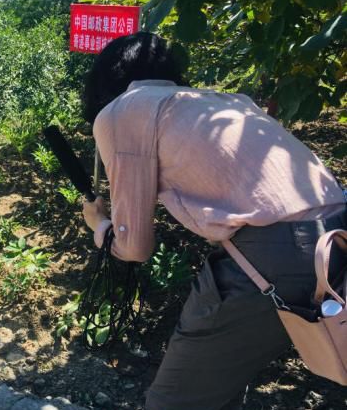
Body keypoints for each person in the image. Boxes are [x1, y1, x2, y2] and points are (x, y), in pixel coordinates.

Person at [80, 32, 346, 410]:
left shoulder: (122, 111)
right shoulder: (222, 101)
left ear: (106, 77)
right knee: (219, 383)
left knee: (174, 401)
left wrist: (99, 225)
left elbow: (133, 246)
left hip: (274, 255)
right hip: (335, 236)